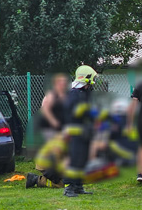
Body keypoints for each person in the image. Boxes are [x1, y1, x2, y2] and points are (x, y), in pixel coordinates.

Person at [63, 65, 98, 198]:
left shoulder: (85, 93)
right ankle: (68, 187)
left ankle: (78, 185)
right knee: (75, 158)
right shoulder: (73, 94)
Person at [39, 74, 68, 140]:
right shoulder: (51, 95)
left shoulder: (65, 95)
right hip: (50, 127)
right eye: (61, 82)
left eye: (64, 82)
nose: (63, 84)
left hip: (62, 126)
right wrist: (53, 121)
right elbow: (45, 109)